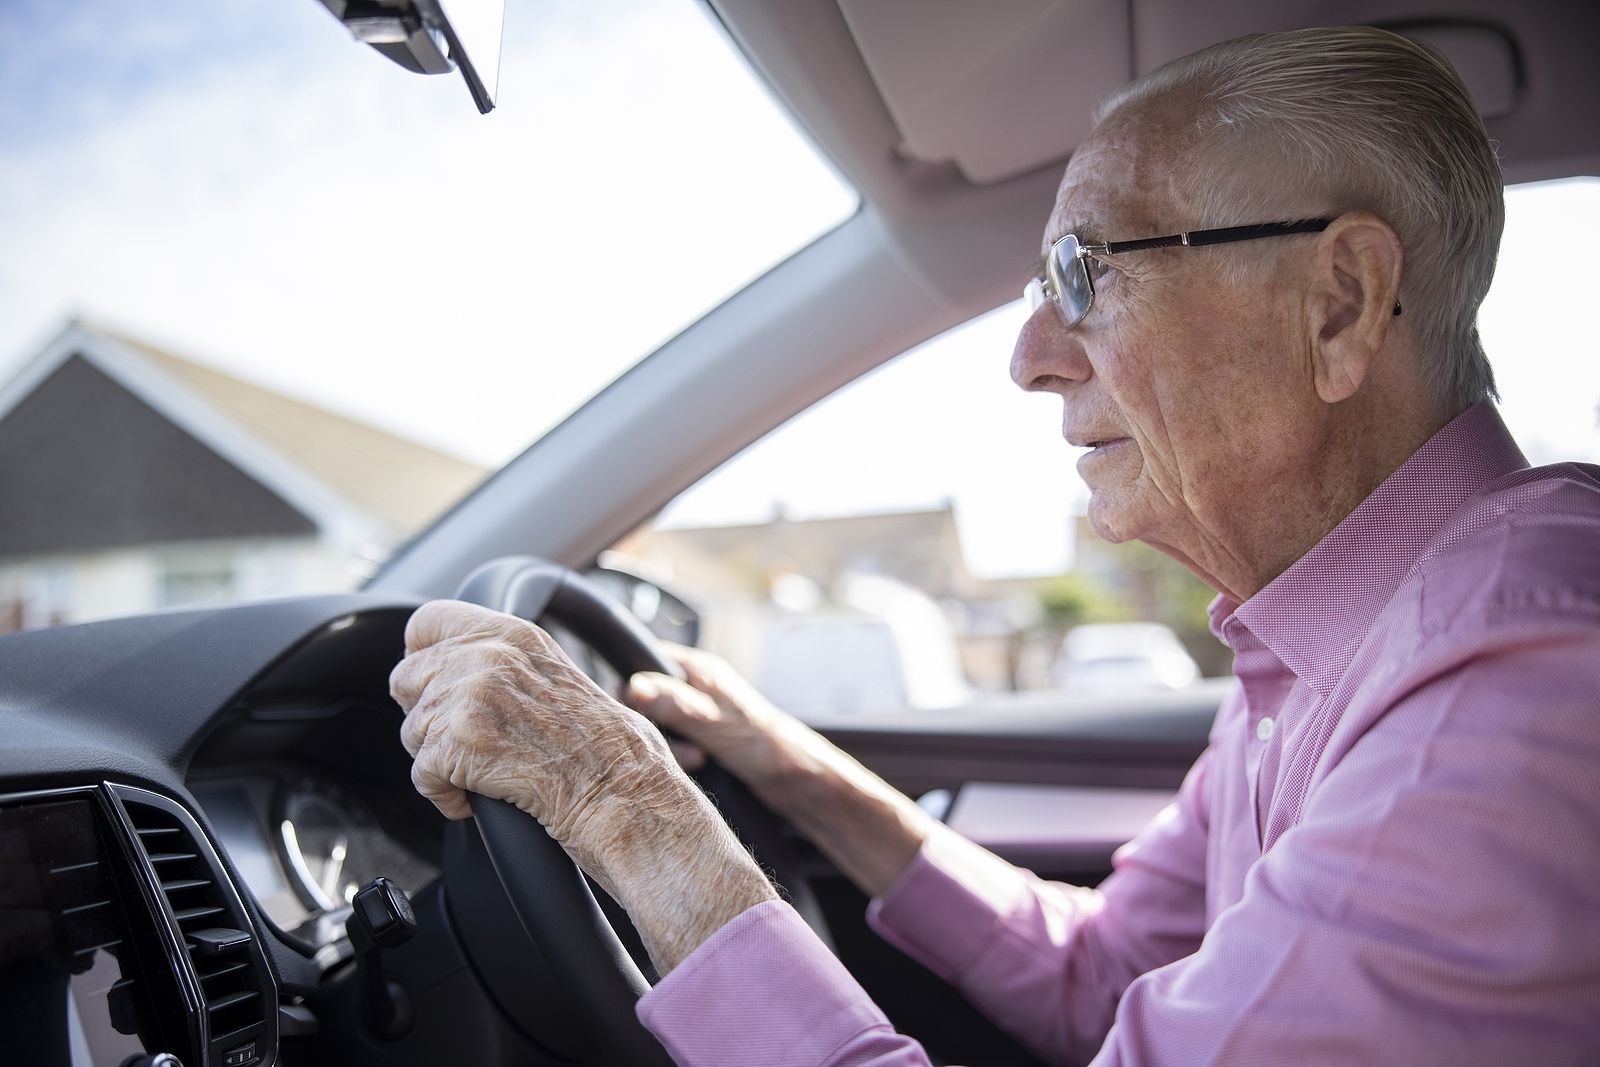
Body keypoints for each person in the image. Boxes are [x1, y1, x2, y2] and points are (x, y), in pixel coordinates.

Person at [386, 25, 1600, 1066]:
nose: (1028, 355)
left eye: (1083, 272)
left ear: (1336, 302)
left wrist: (626, 805)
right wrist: (791, 763)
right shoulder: (1335, 630)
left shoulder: (1504, 687)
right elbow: (1104, 966)